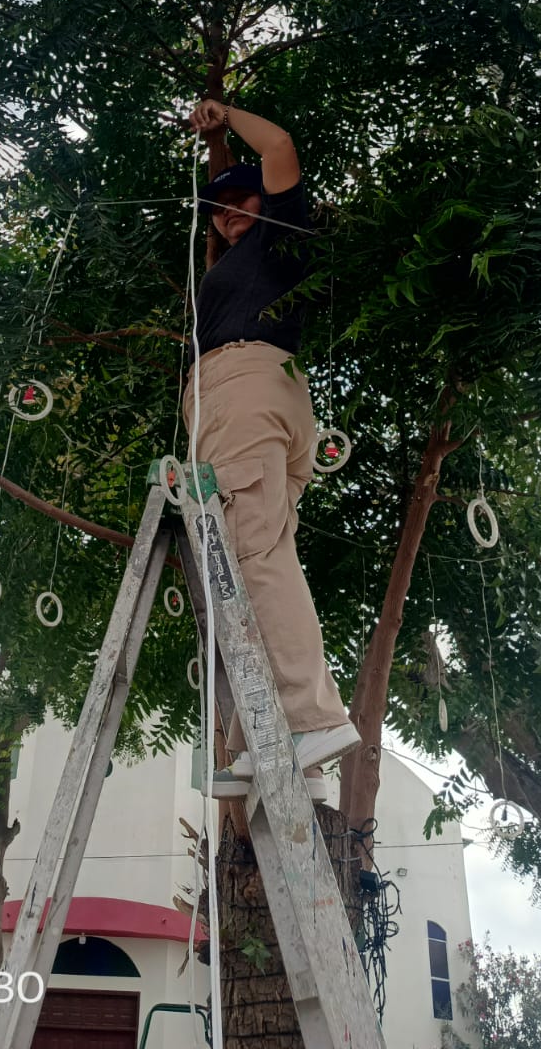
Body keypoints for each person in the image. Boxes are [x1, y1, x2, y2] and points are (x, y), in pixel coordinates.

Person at [184, 98, 359, 800]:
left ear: (268, 201)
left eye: (242, 200)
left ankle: (312, 720)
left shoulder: (281, 236)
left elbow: (280, 146)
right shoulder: (240, 256)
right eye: (219, 208)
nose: (229, 212)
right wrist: (216, 152)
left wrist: (223, 113)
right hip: (255, 395)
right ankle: (285, 754)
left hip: (244, 389)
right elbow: (227, 190)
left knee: (249, 553)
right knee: (255, 553)